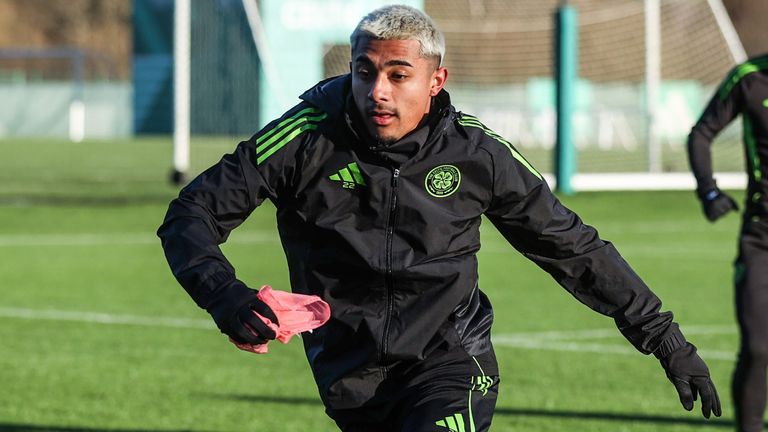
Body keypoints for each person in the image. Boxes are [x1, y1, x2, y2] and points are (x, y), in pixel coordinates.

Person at [159, 5, 721, 431]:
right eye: (364, 71)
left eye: (398, 75)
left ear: (436, 80)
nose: (377, 91)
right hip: (347, 372)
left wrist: (666, 340)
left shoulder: (478, 154)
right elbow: (191, 214)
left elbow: (571, 247)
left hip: (453, 359)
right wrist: (225, 297)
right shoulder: (304, 137)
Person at [687, 52, 768, 432]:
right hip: (760, 241)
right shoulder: (750, 79)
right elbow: (702, 133)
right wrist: (709, 191)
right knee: (757, 347)